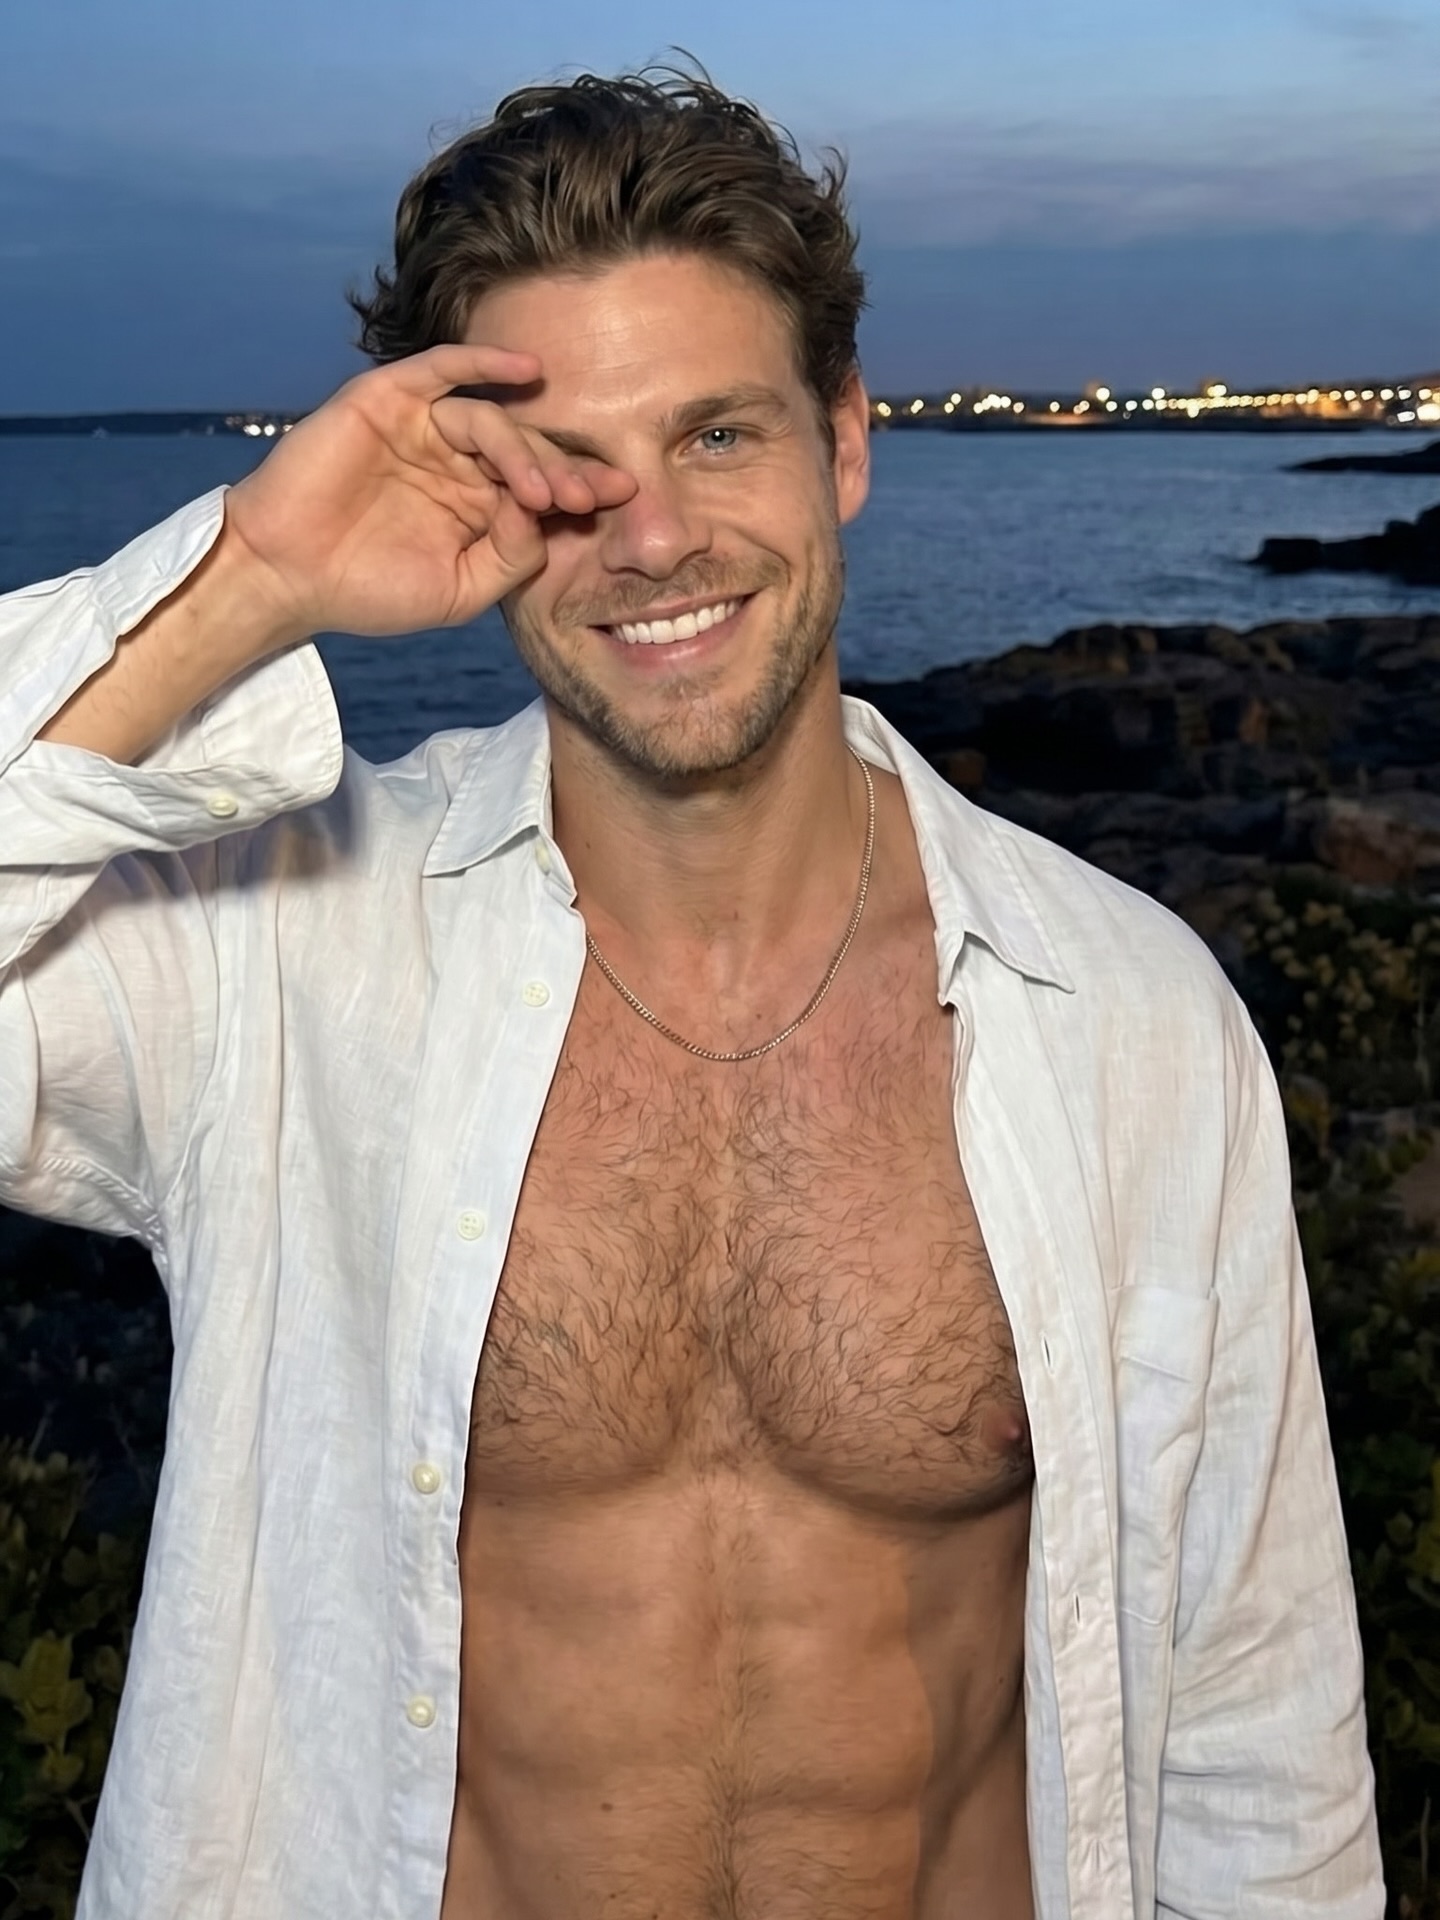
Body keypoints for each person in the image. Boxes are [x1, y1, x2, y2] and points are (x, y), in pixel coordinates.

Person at [0, 66, 1382, 1920]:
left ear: (847, 442)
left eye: (718, 436)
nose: (649, 539)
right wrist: (253, 579)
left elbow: (1257, 1733)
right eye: (565, 469)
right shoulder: (281, 958)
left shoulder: (1128, 1021)